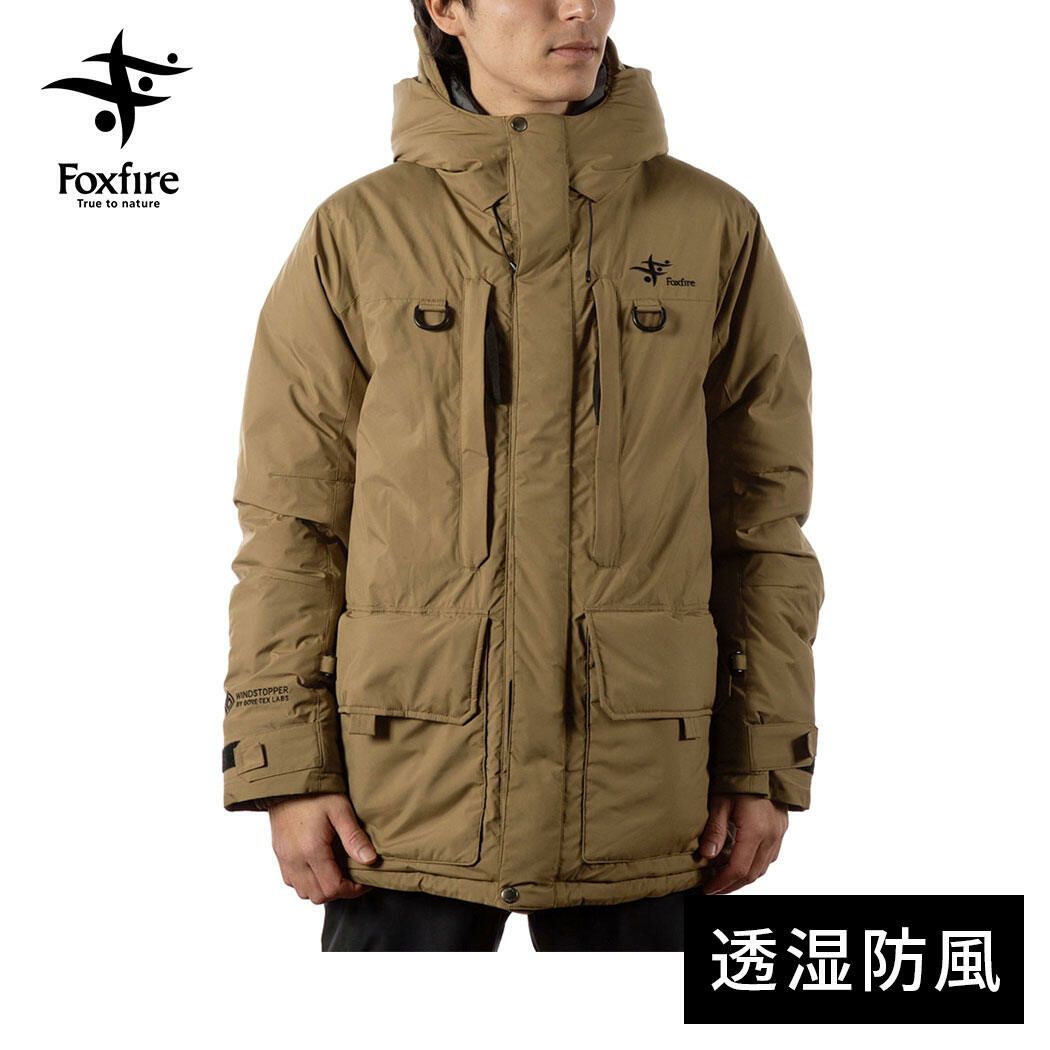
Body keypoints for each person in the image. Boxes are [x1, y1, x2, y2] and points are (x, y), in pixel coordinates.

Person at [221, 0, 824, 952]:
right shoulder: (359, 233)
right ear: (446, 8)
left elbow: (762, 520)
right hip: (403, 795)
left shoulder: (710, 228)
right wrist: (287, 766)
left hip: (644, 789)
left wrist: (763, 756)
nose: (579, 8)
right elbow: (293, 526)